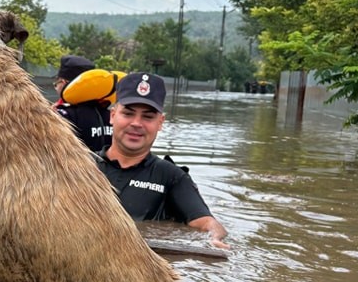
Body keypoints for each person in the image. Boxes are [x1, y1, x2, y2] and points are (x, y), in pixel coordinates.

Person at [94, 72, 229, 248]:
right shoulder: (81, 164)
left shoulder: (171, 176)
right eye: (128, 113)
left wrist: (215, 238)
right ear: (112, 116)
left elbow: (206, 223)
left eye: (148, 117)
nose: (136, 123)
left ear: (160, 122)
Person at [53, 54, 113, 152]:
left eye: (57, 83)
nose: (56, 87)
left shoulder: (65, 115)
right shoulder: (110, 114)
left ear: (63, 83)